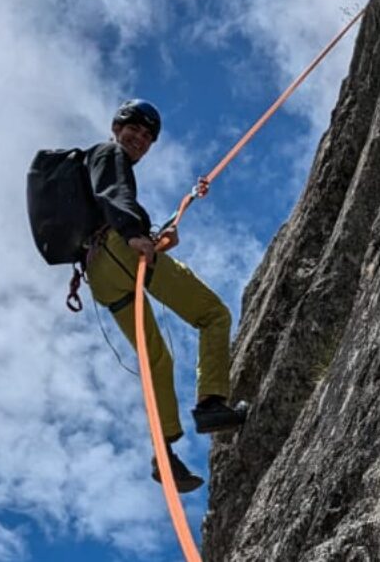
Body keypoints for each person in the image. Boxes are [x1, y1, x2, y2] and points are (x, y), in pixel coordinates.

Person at [82, 99, 247, 493]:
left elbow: (110, 201)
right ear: (115, 128)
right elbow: (113, 193)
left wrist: (155, 238)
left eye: (146, 136)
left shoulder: (92, 169)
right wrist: (136, 234)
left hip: (100, 276)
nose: (138, 138)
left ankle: (164, 452)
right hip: (119, 249)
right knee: (213, 314)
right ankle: (211, 404)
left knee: (156, 358)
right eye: (133, 129)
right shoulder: (108, 154)